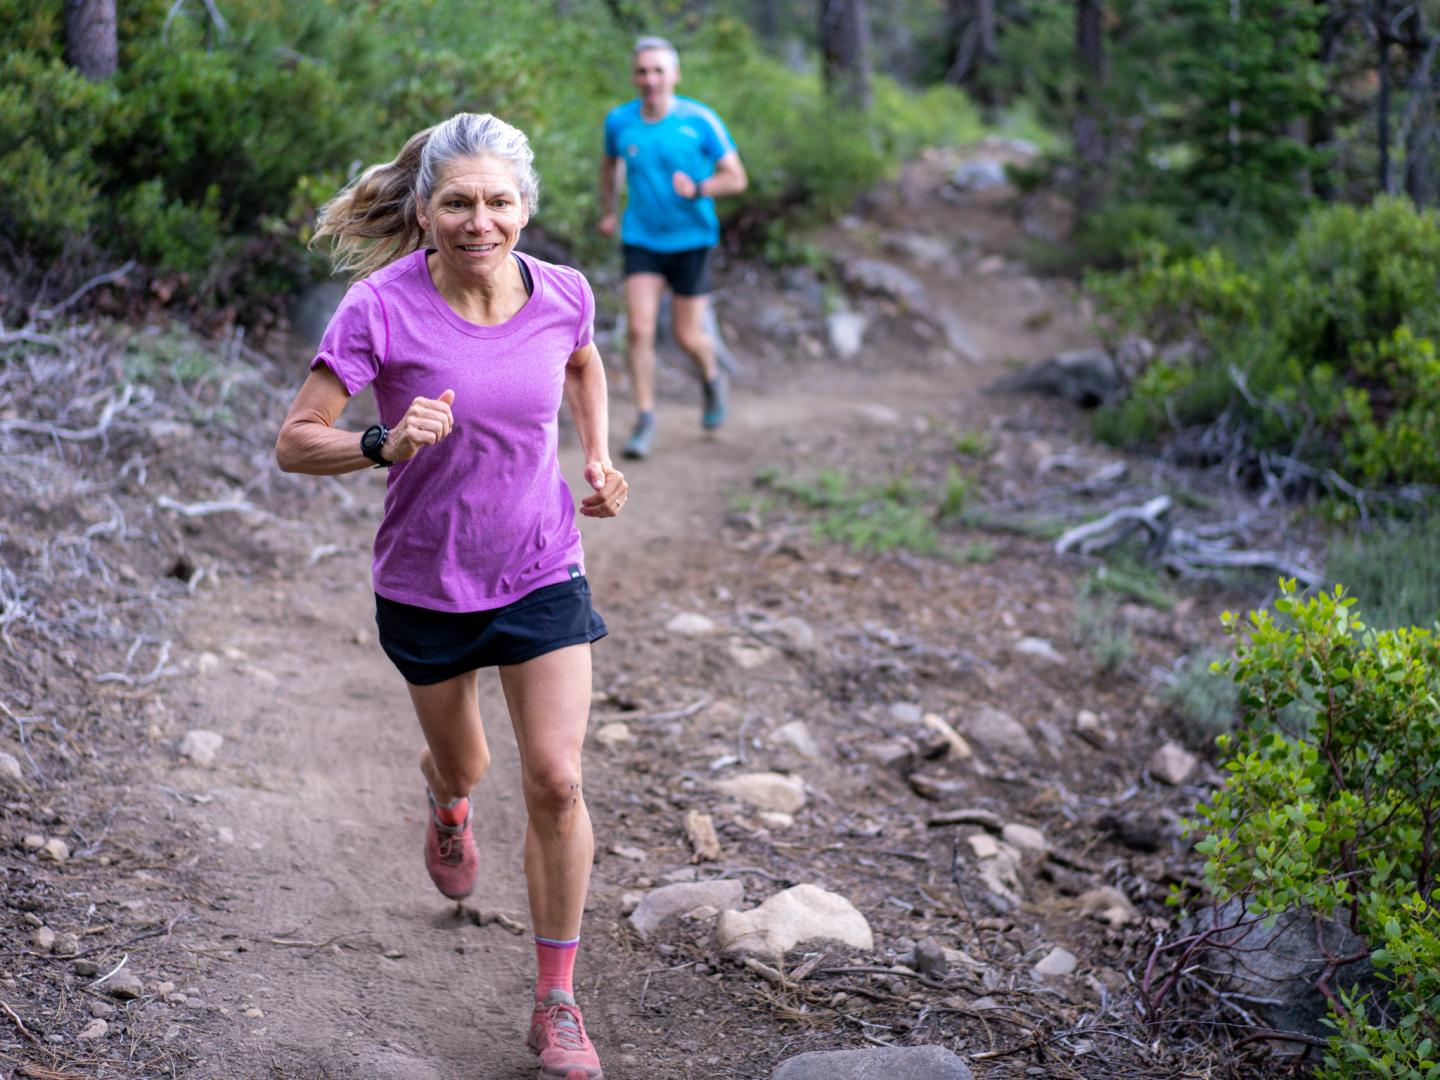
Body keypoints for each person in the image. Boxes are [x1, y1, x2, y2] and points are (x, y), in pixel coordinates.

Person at [275, 112, 625, 1080]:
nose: (482, 221)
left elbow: (583, 359)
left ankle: (556, 1002)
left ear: (527, 208)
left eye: (500, 202)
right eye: (461, 202)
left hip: (542, 564)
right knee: (466, 762)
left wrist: (595, 452)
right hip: (428, 582)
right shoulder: (379, 309)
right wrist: (382, 444)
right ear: (426, 210)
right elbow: (295, 439)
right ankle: (446, 799)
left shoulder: (563, 293)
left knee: (557, 779)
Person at [598, 35, 748, 460]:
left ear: (674, 75)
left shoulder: (700, 120)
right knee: (640, 329)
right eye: (643, 71)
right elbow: (609, 168)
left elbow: (736, 178)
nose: (650, 79)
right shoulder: (619, 122)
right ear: (634, 76)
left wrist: (699, 187)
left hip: (691, 240)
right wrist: (608, 210)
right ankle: (644, 418)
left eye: (658, 70)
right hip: (641, 237)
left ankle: (712, 377)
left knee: (686, 335)